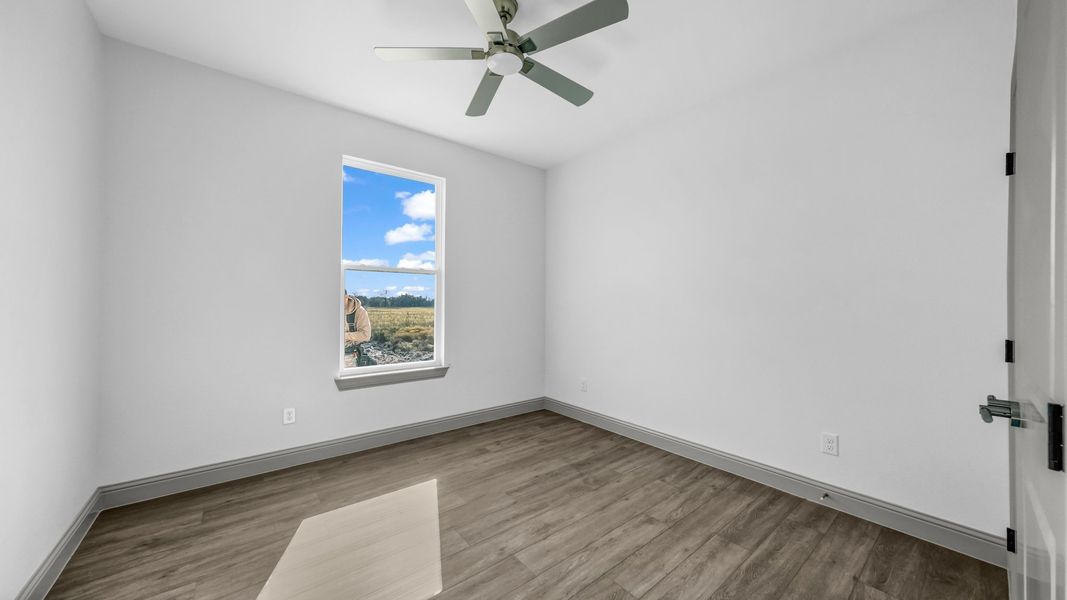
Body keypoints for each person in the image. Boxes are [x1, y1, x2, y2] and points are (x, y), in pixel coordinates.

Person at [344, 294, 374, 365]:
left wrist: (343, 336)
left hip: (349, 356)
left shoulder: (360, 311)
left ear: (346, 297)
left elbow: (366, 335)